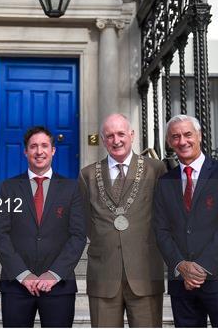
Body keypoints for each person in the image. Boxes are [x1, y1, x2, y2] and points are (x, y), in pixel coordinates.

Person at [154, 114, 218, 327]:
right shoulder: (165, 182)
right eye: (175, 137)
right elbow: (161, 230)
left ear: (200, 136)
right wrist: (181, 266)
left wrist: (201, 268)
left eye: (188, 134)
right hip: (181, 284)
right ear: (169, 142)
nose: (182, 141)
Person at [0, 126, 86, 327]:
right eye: (33, 146)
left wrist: (54, 273)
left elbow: (78, 236)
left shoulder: (72, 188)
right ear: (25, 151)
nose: (39, 151)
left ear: (53, 150)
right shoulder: (8, 187)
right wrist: (23, 274)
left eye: (44, 146)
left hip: (59, 285)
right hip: (16, 285)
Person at [78, 113, 167, 327]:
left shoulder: (156, 170)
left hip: (145, 272)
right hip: (104, 273)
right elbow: (86, 223)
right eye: (109, 136)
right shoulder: (87, 175)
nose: (116, 140)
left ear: (132, 135)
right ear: (102, 140)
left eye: (121, 134)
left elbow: (164, 217)